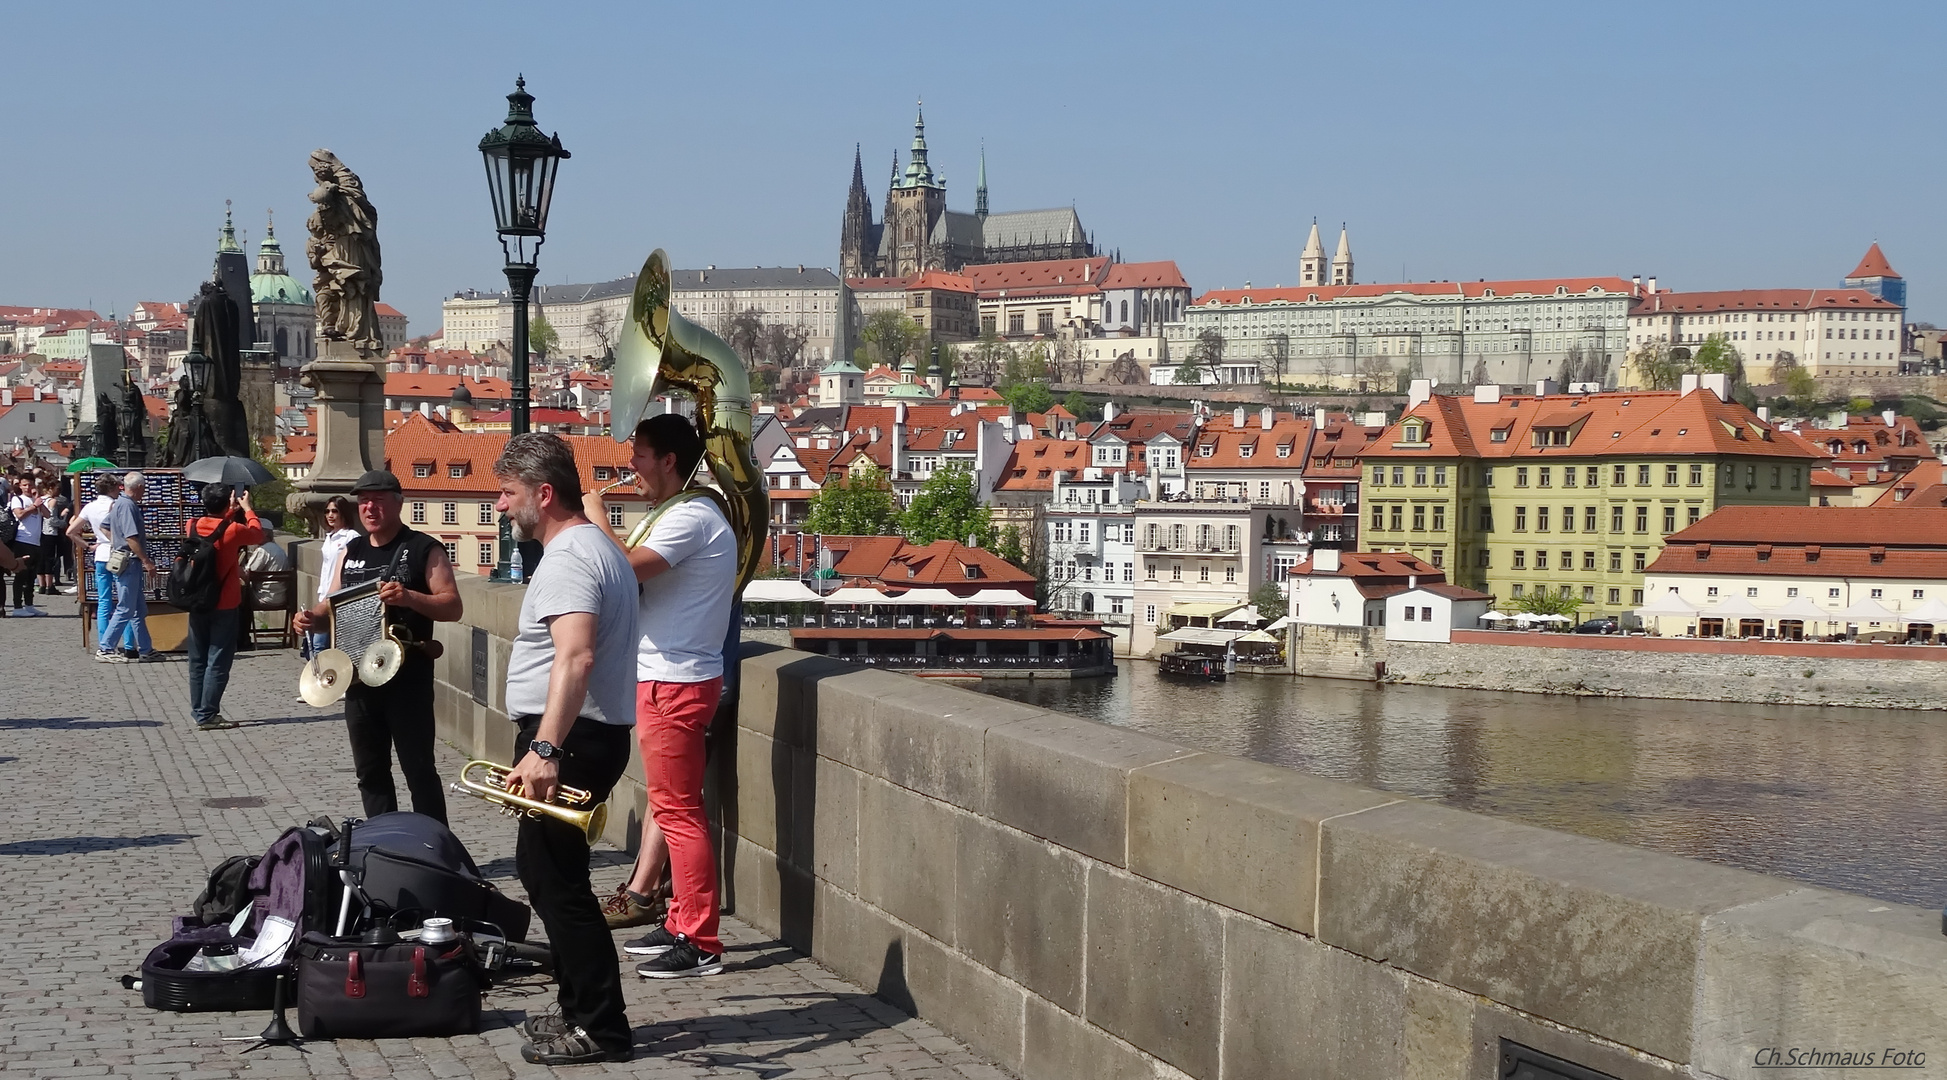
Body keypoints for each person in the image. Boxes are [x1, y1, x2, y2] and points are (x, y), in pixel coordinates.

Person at [495, 433, 639, 1066]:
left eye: (508, 493)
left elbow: (574, 656)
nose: (501, 507)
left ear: (543, 494)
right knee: (544, 875)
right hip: (582, 735)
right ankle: (580, 1000)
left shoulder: (570, 557)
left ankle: (602, 1026)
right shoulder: (595, 547)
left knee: (559, 884)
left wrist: (546, 748)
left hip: (573, 739)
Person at [583, 414, 735, 980]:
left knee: (679, 813)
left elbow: (625, 568)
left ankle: (700, 940)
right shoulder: (677, 513)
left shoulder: (694, 516)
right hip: (665, 675)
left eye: (640, 455)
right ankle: (678, 922)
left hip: (676, 678)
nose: (632, 466)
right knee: (673, 808)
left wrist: (596, 517)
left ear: (670, 461)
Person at [293, 471, 461, 821]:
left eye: (378, 500)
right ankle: (385, 845)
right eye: (364, 501)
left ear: (398, 503)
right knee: (370, 772)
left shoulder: (423, 549)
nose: (369, 507)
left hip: (407, 679)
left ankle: (435, 847)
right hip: (356, 678)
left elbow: (452, 606)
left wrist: (410, 596)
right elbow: (332, 606)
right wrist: (311, 617)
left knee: (418, 771)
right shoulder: (350, 549)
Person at [184, 484, 266, 730]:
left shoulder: (192, 524)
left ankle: (199, 709)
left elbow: (214, 532)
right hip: (225, 601)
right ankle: (208, 714)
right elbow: (257, 534)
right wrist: (247, 508)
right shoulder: (233, 530)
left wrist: (227, 510)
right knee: (218, 659)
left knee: (197, 658)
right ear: (226, 502)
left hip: (197, 600)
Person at [96, 473, 160, 661]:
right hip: (130, 562)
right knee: (125, 607)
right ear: (139, 487)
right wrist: (146, 561)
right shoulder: (127, 506)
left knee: (138, 609)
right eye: (144, 487)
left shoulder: (119, 504)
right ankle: (106, 648)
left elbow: (104, 526)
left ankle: (146, 649)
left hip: (126, 559)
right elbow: (131, 538)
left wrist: (116, 543)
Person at [70, 475, 129, 651]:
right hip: (118, 554)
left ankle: (104, 643)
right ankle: (127, 643)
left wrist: (88, 546)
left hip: (100, 553)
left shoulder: (90, 507)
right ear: (112, 488)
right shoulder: (117, 505)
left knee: (104, 601)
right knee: (124, 602)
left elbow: (71, 532)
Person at [305, 496, 360, 658]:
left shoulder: (351, 537)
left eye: (334, 511)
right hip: (325, 594)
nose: (330, 515)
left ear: (343, 513)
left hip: (339, 597)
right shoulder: (329, 537)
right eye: (327, 511)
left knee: (320, 644)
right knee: (316, 643)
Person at [7, 476, 47, 617]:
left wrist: (39, 502)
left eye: (30, 485)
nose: (28, 488)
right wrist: (34, 506)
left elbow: (47, 515)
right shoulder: (17, 499)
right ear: (20, 486)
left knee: (31, 576)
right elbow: (20, 515)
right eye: (25, 485)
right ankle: (17, 606)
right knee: (21, 575)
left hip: (36, 541)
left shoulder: (35, 500)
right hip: (22, 540)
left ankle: (29, 605)